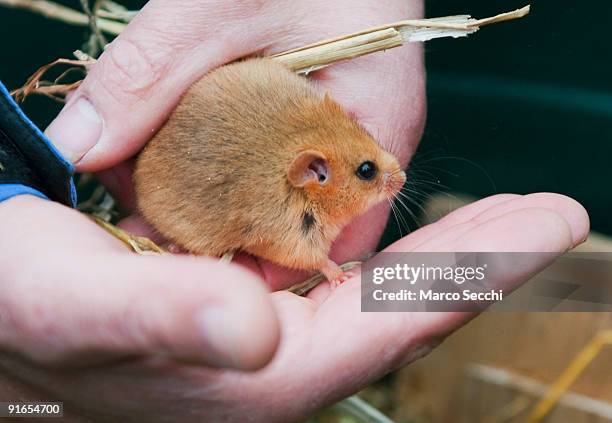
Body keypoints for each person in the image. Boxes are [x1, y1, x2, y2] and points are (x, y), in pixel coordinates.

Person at [0, 0, 589, 421]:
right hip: (175, 192)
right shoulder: (284, 207)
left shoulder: (310, 135)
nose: (394, 176)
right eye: (366, 171)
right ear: (312, 175)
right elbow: (289, 242)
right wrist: (328, 269)